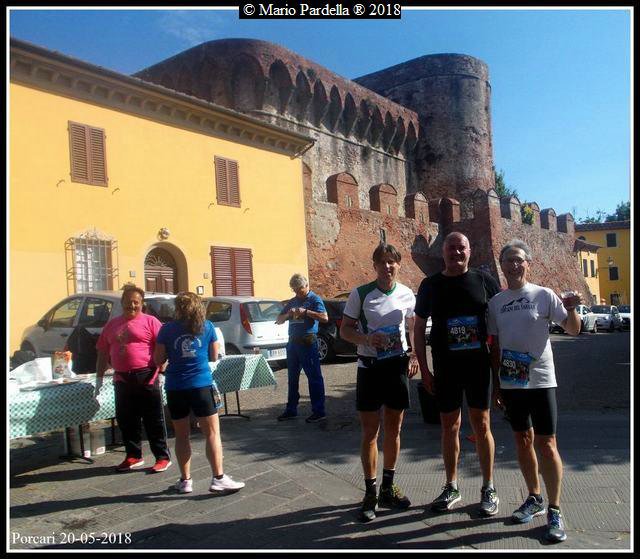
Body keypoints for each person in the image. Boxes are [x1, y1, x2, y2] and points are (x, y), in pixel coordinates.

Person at [487, 239, 581, 543]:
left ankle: (555, 509)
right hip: (512, 382)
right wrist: (497, 384)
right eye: (508, 260)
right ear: (501, 265)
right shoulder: (496, 303)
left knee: (548, 444)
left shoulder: (544, 295)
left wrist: (572, 309)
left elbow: (573, 329)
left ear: (528, 263)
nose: (514, 265)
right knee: (522, 440)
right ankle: (534, 497)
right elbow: (495, 347)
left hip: (541, 380)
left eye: (519, 260)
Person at [413, 232, 501, 516]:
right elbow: (418, 327)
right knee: (449, 426)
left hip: (478, 366)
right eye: (451, 248)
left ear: (469, 251)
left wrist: (501, 371)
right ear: (443, 252)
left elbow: (501, 322)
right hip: (446, 367)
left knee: (482, 425)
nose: (456, 252)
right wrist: (424, 368)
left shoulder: (484, 281)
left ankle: (488, 487)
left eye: (461, 247)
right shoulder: (430, 285)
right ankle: (451, 486)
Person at [340, 243, 418, 522]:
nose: (387, 266)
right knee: (370, 432)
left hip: (396, 366)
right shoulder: (360, 294)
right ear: (374, 266)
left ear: (399, 265)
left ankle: (388, 486)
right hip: (369, 367)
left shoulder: (407, 294)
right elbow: (344, 330)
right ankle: (370, 492)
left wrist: (413, 355)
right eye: (382, 262)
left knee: (394, 430)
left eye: (392, 262)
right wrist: (366, 339)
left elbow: (412, 327)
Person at [153, 292, 245, 494]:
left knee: (181, 435)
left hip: (175, 386)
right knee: (212, 433)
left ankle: (185, 480)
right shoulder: (207, 326)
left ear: (177, 308)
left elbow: (158, 359)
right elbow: (214, 356)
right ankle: (218, 478)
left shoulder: (166, 329)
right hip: (201, 385)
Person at [95, 285, 172, 473]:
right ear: (122, 303)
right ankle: (133, 456)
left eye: (136, 302)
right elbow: (102, 352)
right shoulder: (111, 325)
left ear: (142, 303)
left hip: (147, 376)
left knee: (153, 419)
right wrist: (98, 379)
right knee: (126, 419)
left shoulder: (151, 321)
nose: (132, 305)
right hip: (122, 379)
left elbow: (164, 346)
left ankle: (162, 457)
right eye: (128, 302)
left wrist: (162, 371)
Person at [275, 274, 329, 423]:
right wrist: (289, 314)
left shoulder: (314, 299)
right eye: (294, 290)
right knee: (292, 378)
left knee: (314, 377)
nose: (297, 293)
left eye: (299, 290)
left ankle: (319, 411)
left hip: (308, 342)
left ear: (306, 285)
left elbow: (325, 317)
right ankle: (291, 409)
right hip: (292, 343)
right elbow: (278, 320)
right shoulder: (292, 301)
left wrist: (305, 312)